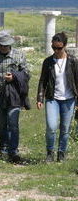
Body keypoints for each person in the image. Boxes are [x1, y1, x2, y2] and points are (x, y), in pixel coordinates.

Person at [0, 30, 30, 163]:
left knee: (13, 122)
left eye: (6, 45)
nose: (3, 48)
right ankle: (3, 150)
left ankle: (14, 152)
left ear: (10, 44)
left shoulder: (18, 55)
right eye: (1, 45)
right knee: (1, 123)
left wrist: (14, 76)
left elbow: (27, 73)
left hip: (13, 95)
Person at [37, 32, 78, 162]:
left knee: (65, 129)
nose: (56, 50)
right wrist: (40, 98)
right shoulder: (48, 62)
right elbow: (42, 81)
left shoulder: (73, 61)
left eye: (59, 48)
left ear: (65, 46)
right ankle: (50, 152)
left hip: (69, 99)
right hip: (52, 98)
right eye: (53, 47)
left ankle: (62, 153)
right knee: (51, 126)